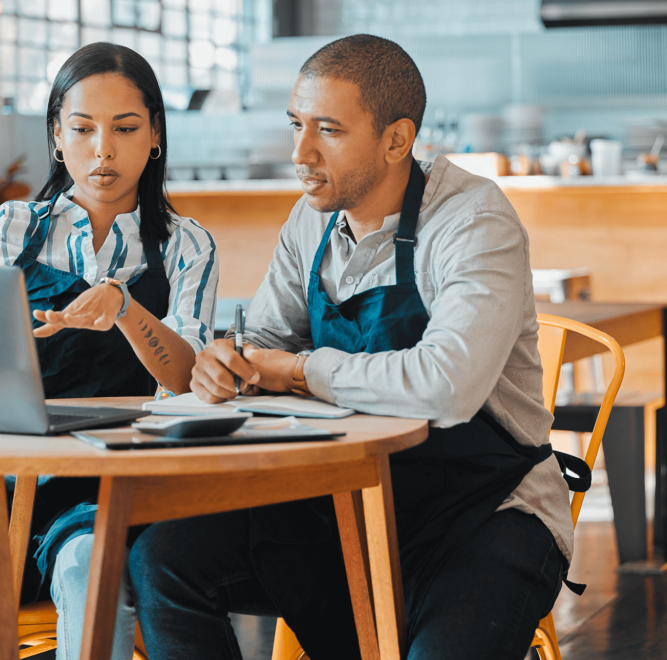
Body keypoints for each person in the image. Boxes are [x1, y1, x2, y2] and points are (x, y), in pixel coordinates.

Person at [128, 35, 576, 660]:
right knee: (164, 558)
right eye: (295, 125)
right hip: (343, 506)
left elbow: (446, 385)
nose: (300, 153)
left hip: (484, 517)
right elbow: (263, 341)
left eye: (328, 130)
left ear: (396, 139)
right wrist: (227, 367)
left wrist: (299, 371)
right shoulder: (311, 219)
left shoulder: (473, 221)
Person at [0, 43, 218, 660]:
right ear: (57, 138)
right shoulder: (8, 229)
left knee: (89, 577)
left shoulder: (185, 247)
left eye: (125, 128)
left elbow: (189, 377)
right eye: (83, 128)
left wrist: (124, 308)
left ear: (155, 138)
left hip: (94, 501)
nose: (103, 150)